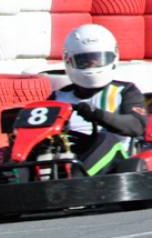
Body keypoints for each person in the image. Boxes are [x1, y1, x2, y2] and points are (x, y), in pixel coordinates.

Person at [50, 23, 147, 176]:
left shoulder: (125, 91)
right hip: (70, 153)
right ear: (69, 60)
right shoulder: (58, 97)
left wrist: (97, 114)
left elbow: (136, 126)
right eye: (84, 60)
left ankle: (75, 183)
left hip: (114, 160)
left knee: (106, 139)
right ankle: (12, 183)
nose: (92, 65)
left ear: (113, 56)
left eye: (98, 59)